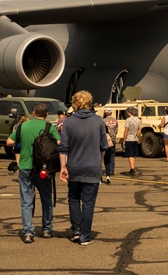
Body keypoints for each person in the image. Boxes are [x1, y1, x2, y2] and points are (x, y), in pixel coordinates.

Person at [59, 90, 108, 246]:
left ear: (75, 103)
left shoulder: (68, 122)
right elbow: (103, 146)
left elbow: (63, 148)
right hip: (93, 166)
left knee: (74, 199)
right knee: (88, 202)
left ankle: (76, 230)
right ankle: (85, 236)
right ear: (89, 102)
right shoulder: (99, 121)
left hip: (74, 165)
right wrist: (100, 164)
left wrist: (63, 167)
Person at [7, 102, 59, 243]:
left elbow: (9, 141)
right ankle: (47, 229)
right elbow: (59, 143)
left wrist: (23, 142)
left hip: (25, 166)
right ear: (46, 114)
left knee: (26, 201)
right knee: (46, 199)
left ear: (33, 113)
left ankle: (28, 232)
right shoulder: (49, 127)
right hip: (44, 168)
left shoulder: (23, 126)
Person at [123, 107, 142, 176]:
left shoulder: (128, 120)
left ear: (129, 112)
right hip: (135, 139)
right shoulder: (138, 120)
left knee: (130, 155)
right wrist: (138, 135)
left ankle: (132, 169)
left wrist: (124, 139)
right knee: (134, 154)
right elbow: (139, 130)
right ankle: (133, 167)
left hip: (129, 138)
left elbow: (126, 130)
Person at [101, 108, 117, 183]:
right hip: (111, 140)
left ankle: (100, 177)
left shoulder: (104, 121)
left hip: (103, 142)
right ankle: (111, 171)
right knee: (112, 156)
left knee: (101, 160)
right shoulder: (115, 120)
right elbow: (116, 130)